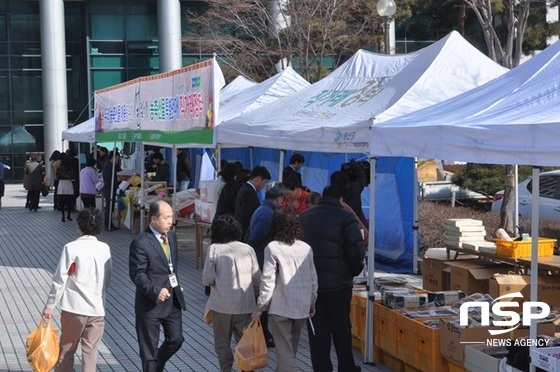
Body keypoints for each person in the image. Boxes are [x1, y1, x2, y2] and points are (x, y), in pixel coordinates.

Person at [299, 184, 366, 372]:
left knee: (317, 331)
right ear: (341, 199)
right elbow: (356, 251)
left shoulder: (304, 217)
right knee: (341, 328)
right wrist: (352, 272)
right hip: (339, 285)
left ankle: (322, 368)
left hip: (313, 287)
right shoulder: (346, 217)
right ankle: (346, 367)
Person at [42, 208, 112, 372]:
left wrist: (50, 305)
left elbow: (60, 279)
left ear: (79, 226)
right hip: (97, 309)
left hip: (74, 308)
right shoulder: (105, 248)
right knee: (90, 353)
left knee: (66, 350)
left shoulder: (71, 248)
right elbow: (108, 277)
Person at [252, 206, 318, 372]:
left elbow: (267, 281)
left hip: (281, 307)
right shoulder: (306, 248)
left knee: (285, 353)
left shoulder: (272, 248)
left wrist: (260, 308)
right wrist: (312, 302)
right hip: (302, 306)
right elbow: (313, 278)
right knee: (289, 352)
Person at [129, 200, 186, 372]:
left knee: (176, 339)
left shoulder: (172, 236)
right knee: (149, 352)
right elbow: (137, 274)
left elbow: (171, 267)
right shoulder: (140, 242)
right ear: (153, 219)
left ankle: (158, 364)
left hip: (172, 299)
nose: (171, 221)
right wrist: (155, 291)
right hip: (150, 304)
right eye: (166, 217)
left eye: (171, 217)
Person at [202, 214, 260, 372]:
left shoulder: (214, 249)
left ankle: (226, 369)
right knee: (245, 343)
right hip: (245, 306)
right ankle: (246, 369)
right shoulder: (248, 249)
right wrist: (257, 300)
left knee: (222, 344)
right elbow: (257, 279)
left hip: (221, 307)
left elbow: (207, 278)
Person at [245, 181, 287, 346]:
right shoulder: (267, 213)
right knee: (263, 298)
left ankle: (264, 332)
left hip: (260, 257)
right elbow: (255, 237)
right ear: (280, 198)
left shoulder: (263, 209)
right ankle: (263, 333)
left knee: (262, 297)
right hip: (261, 259)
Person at [234, 165, 271, 237]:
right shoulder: (249, 193)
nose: (264, 186)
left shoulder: (246, 189)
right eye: (264, 182)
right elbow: (246, 218)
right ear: (258, 179)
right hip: (244, 234)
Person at [331, 161, 368, 227]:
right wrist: (354, 164)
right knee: (360, 236)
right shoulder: (354, 188)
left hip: (339, 227)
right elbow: (362, 177)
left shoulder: (331, 193)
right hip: (358, 224)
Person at [102, 149, 121, 231]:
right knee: (109, 207)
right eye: (117, 158)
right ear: (114, 157)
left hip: (111, 189)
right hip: (109, 189)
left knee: (111, 207)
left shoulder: (113, 166)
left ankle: (109, 224)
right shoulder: (108, 166)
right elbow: (107, 179)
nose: (118, 160)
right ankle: (107, 225)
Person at [56, 153, 76, 222]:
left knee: (62, 201)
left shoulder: (60, 168)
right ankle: (69, 215)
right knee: (69, 201)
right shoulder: (70, 168)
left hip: (61, 184)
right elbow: (73, 177)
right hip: (69, 184)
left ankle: (63, 216)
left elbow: (57, 177)